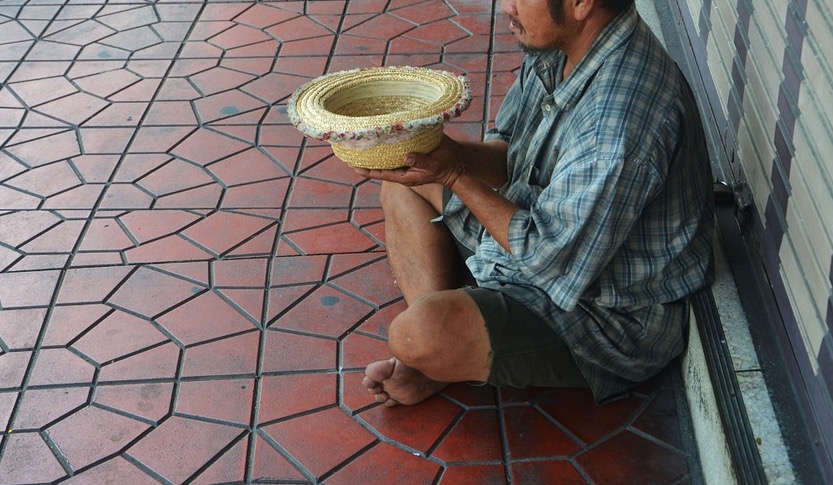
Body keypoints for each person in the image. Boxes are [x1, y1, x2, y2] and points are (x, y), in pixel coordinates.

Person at [352, 0, 714, 406]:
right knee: (403, 185)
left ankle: (440, 352)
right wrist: (437, 153)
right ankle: (440, 358)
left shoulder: (616, 127)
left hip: (604, 311)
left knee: (415, 334)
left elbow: (550, 256)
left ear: (580, 4)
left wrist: (452, 176)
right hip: (534, 231)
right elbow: (510, 156)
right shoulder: (561, 47)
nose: (507, 7)